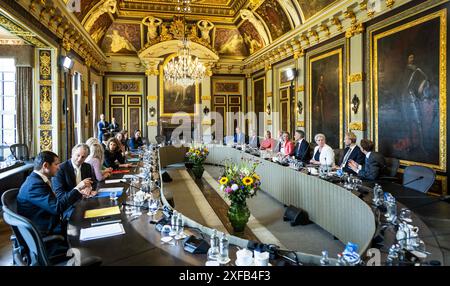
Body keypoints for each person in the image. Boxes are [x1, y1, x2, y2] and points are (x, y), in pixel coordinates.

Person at [17, 151, 88, 237]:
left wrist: (79, 193)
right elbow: (57, 208)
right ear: (45, 165)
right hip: (45, 231)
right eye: (56, 164)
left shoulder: (37, 179)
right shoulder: (34, 185)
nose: (59, 167)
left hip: (51, 223)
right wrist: (77, 188)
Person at [52, 144, 97, 219]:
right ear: (72, 154)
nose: (80, 159)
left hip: (86, 201)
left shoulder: (87, 166)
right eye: (77, 155)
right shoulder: (60, 169)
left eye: (83, 157)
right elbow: (60, 195)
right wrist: (79, 190)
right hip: (70, 206)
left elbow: (94, 182)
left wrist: (89, 188)